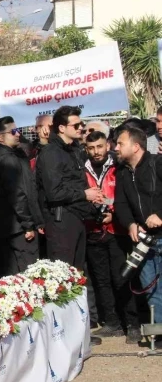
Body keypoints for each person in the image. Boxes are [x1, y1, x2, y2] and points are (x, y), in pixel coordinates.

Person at [83, 131, 140, 343]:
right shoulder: (82, 168)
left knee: (122, 278)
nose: (96, 152)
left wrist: (113, 213)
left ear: (107, 145)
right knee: (101, 280)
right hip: (93, 230)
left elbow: (126, 196)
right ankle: (112, 323)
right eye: (91, 148)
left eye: (99, 146)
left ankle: (132, 324)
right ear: (86, 149)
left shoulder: (119, 166)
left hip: (117, 230)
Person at [36, 106, 103, 270]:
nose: (81, 128)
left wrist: (93, 199)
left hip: (77, 217)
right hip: (61, 221)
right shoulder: (51, 153)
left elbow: (76, 181)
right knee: (63, 276)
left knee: (77, 274)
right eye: (76, 125)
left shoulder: (74, 150)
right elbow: (54, 192)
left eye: (81, 124)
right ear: (61, 128)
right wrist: (84, 194)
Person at [114, 124, 162, 327]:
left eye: (120, 143)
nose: (115, 147)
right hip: (143, 243)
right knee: (151, 289)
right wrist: (130, 224)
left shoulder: (157, 163)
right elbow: (120, 203)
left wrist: (160, 215)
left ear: (135, 146)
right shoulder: (123, 172)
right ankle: (159, 330)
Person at [0, 117, 44, 275]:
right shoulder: (7, 160)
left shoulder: (3, 155)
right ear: (0, 137)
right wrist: (28, 224)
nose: (18, 133)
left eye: (18, 130)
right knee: (27, 272)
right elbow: (17, 194)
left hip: (8, 224)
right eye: (13, 131)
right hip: (17, 227)